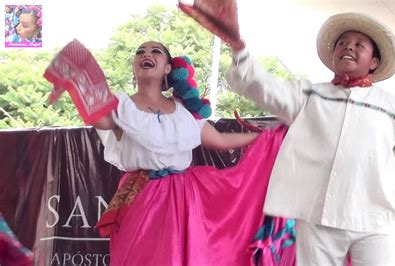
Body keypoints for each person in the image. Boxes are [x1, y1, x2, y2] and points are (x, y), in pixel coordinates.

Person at [180, 4, 395, 265]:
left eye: (360, 45)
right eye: (342, 43)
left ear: (374, 63)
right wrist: (238, 46)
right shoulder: (310, 95)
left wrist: (387, 171)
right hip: (317, 215)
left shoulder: (392, 106)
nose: (348, 47)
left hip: (375, 216)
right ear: (333, 55)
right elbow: (263, 87)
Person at [43, 39, 293, 265]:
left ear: (167, 69)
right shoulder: (121, 106)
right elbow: (100, 119)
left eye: (156, 51)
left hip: (183, 196)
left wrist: (266, 138)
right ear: (134, 67)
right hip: (141, 194)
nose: (146, 54)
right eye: (140, 51)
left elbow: (218, 139)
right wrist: (76, 81)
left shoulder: (185, 111)